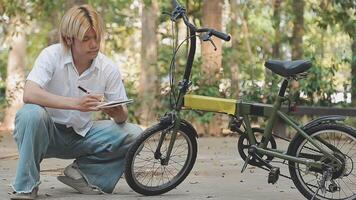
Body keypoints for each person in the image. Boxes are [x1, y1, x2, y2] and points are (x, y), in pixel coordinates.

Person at [10, 4, 142, 200]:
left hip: (82, 135)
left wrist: (117, 113)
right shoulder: (51, 55)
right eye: (86, 39)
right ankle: (26, 186)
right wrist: (76, 103)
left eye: (96, 37)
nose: (94, 44)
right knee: (30, 113)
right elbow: (29, 93)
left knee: (134, 134)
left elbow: (123, 117)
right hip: (46, 135)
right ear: (69, 39)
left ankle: (83, 175)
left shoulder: (108, 68)